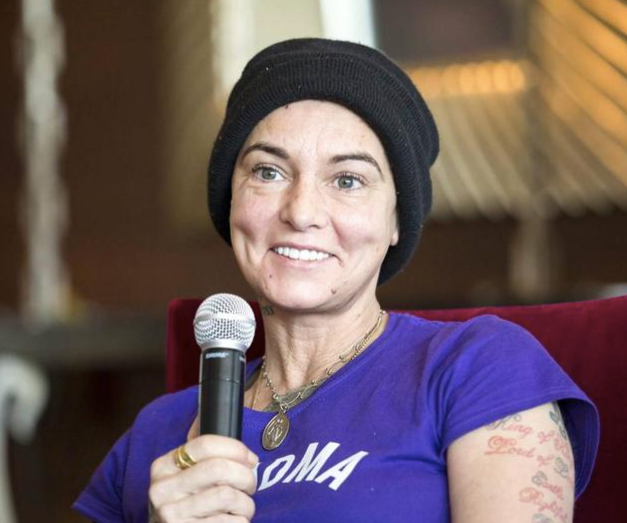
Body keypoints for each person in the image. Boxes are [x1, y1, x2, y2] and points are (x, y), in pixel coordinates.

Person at [73, 38, 599, 523]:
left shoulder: (480, 367)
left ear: (397, 221)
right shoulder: (156, 431)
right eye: (268, 172)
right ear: (230, 199)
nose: (301, 212)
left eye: (347, 180)